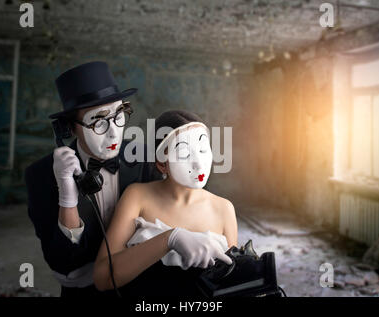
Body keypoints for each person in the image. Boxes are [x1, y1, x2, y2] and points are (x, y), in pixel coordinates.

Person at [25, 61, 161, 297]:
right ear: (69, 129)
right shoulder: (40, 175)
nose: (113, 132)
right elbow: (62, 262)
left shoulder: (145, 158)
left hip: (143, 287)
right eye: (98, 121)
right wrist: (67, 196)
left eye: (119, 116)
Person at [93, 110, 238, 297]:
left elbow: (232, 285)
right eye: (185, 154)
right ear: (162, 164)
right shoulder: (137, 197)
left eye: (203, 150)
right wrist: (169, 239)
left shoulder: (224, 209)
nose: (199, 164)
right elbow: (102, 278)